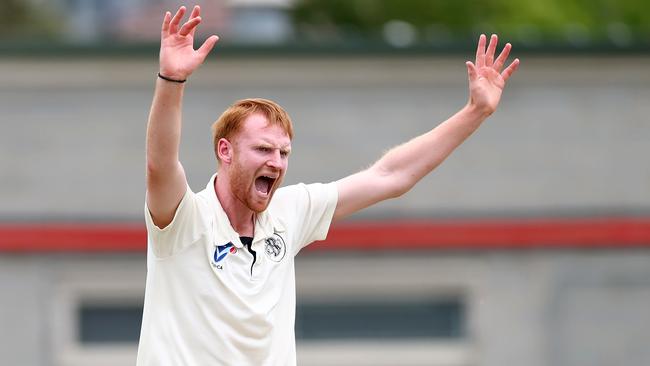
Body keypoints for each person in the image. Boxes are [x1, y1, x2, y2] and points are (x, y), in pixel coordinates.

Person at [138, 4, 519, 366]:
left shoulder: (289, 212)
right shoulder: (184, 219)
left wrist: (475, 112)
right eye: (263, 149)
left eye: (284, 153)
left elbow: (389, 176)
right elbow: (160, 164)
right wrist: (172, 79)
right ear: (225, 151)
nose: (277, 162)